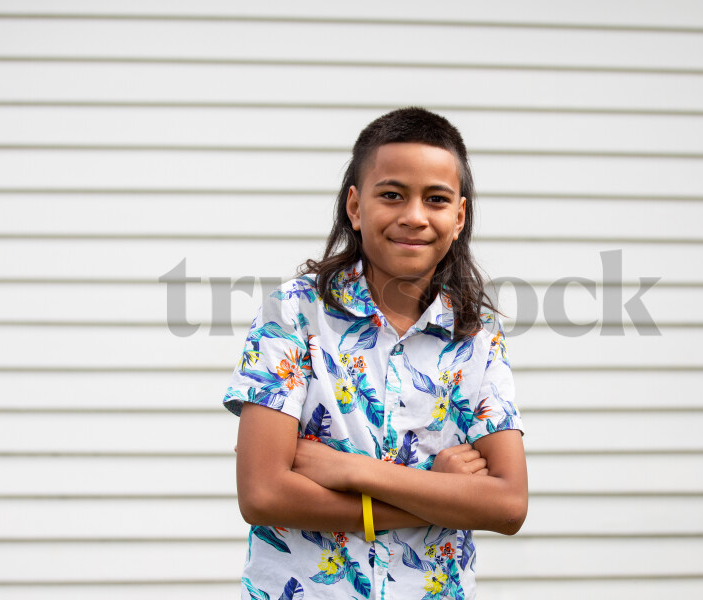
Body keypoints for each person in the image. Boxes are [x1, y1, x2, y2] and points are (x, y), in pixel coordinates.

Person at [222, 107, 528, 599]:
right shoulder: (294, 313)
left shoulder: (477, 336)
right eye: (391, 195)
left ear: (458, 217)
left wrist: (352, 470)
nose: (414, 216)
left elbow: (508, 506)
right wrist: (439, 495)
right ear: (355, 206)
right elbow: (262, 494)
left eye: (436, 199)